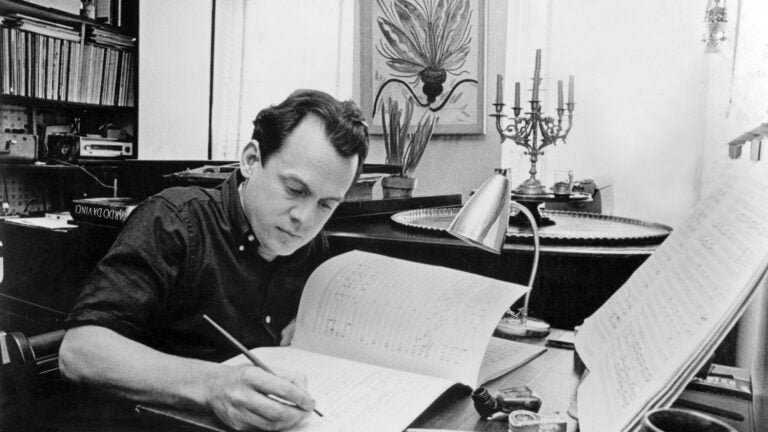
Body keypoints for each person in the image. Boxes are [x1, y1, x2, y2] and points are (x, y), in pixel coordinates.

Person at [58, 89, 369, 431]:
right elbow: (80, 352)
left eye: (326, 204)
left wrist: (310, 326)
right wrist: (214, 386)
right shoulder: (174, 220)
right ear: (251, 160)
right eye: (294, 189)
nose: (304, 219)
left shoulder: (313, 249)